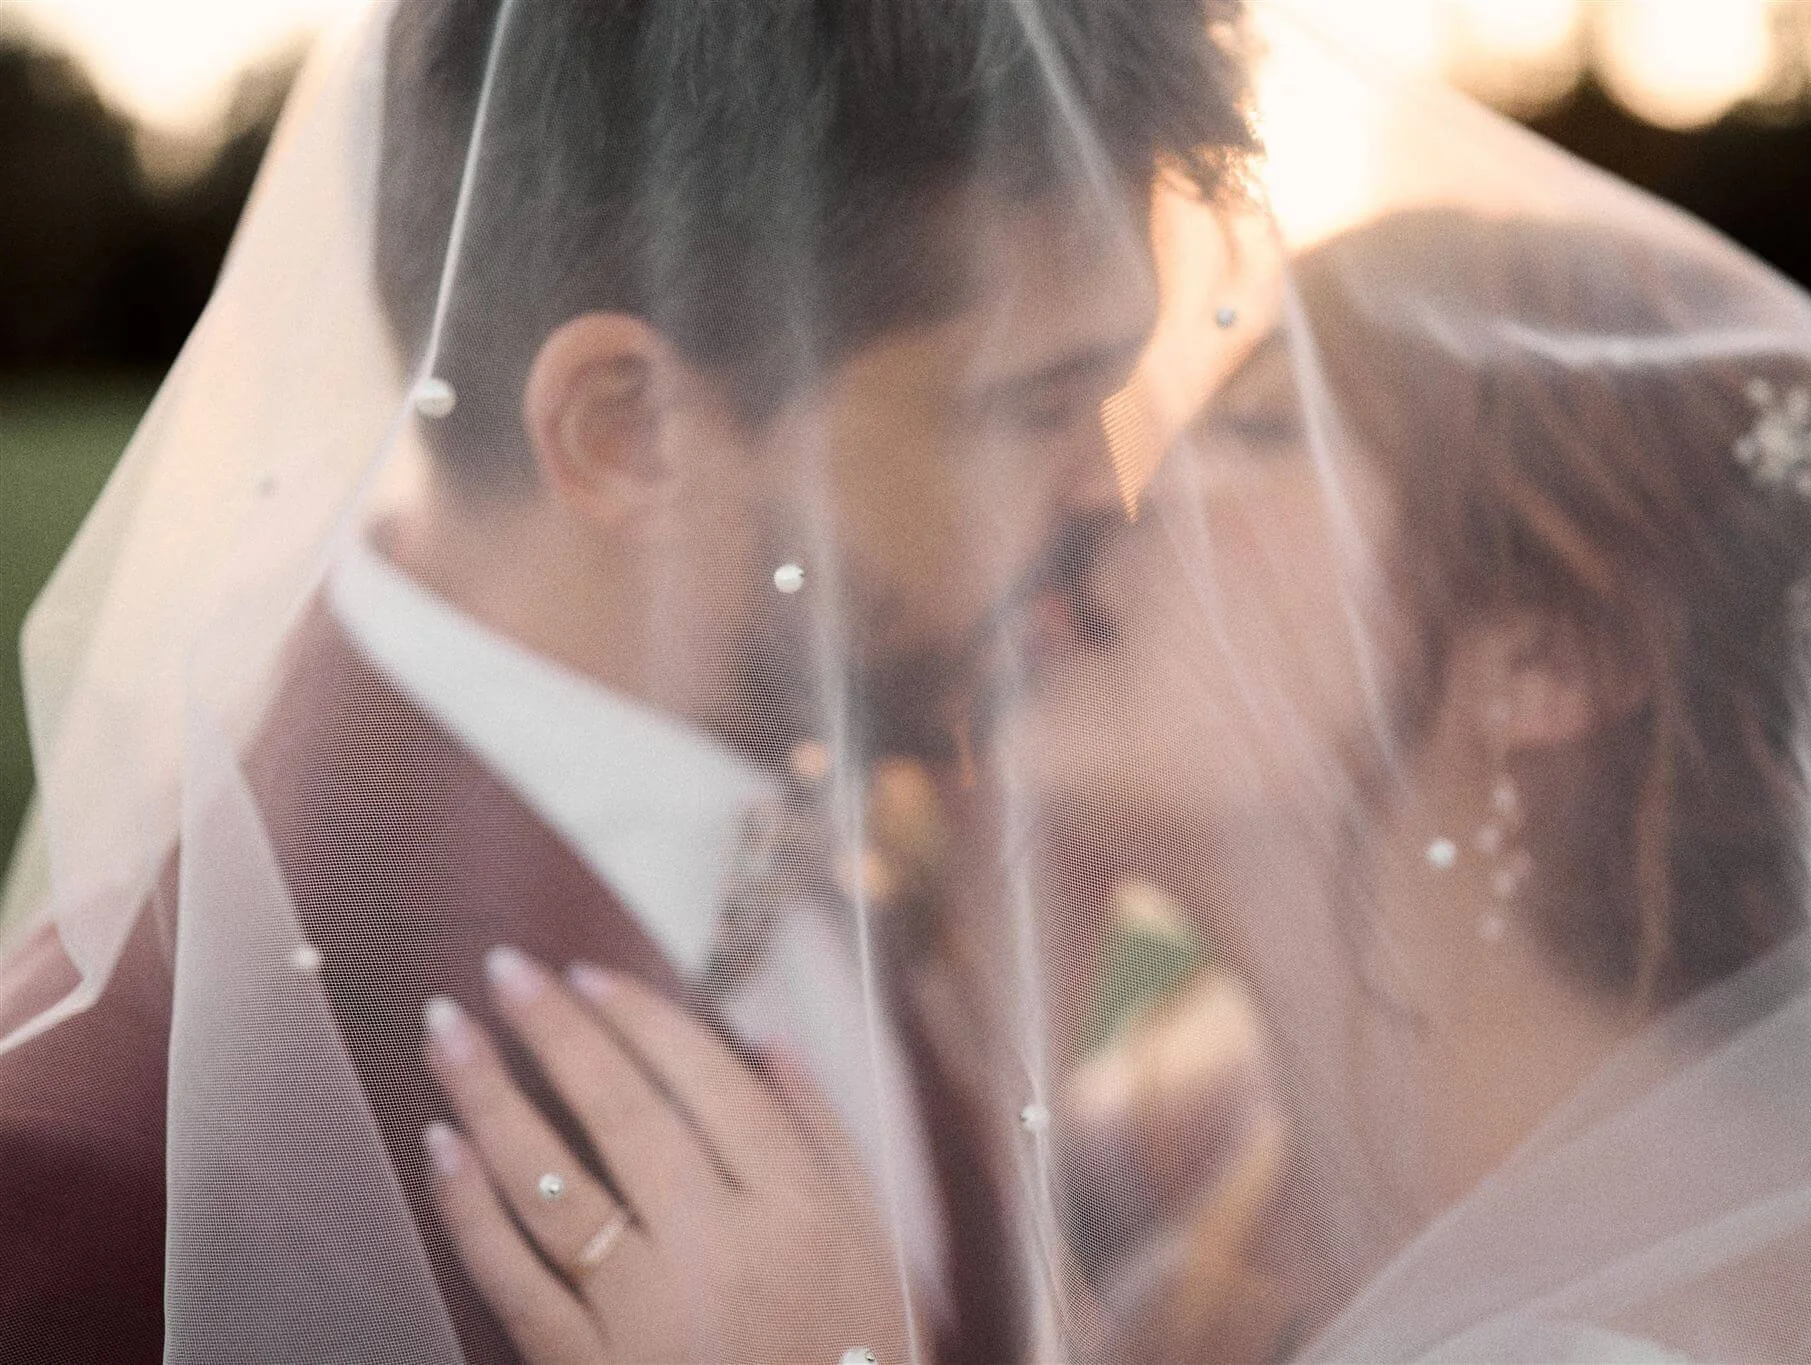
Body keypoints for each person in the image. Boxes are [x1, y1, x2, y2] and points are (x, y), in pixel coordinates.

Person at [0, 1, 1254, 1360]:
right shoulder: (119, 1151)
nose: (1119, 497)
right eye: (1038, 406)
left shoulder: (840, 800)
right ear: (628, 430)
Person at [984, 208, 1811, 1360]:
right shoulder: (1230, 1131)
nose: (1101, 487)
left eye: (1259, 427)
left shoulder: (1610, 1330)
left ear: (1540, 660)